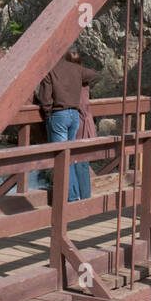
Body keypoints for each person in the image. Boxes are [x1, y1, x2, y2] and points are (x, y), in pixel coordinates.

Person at [35, 46, 100, 201]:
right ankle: (78, 195)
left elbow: (45, 98)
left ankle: (71, 197)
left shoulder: (50, 70)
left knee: (61, 158)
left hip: (59, 114)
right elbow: (95, 75)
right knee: (70, 156)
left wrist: (49, 113)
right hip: (74, 115)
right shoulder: (76, 69)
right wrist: (81, 82)